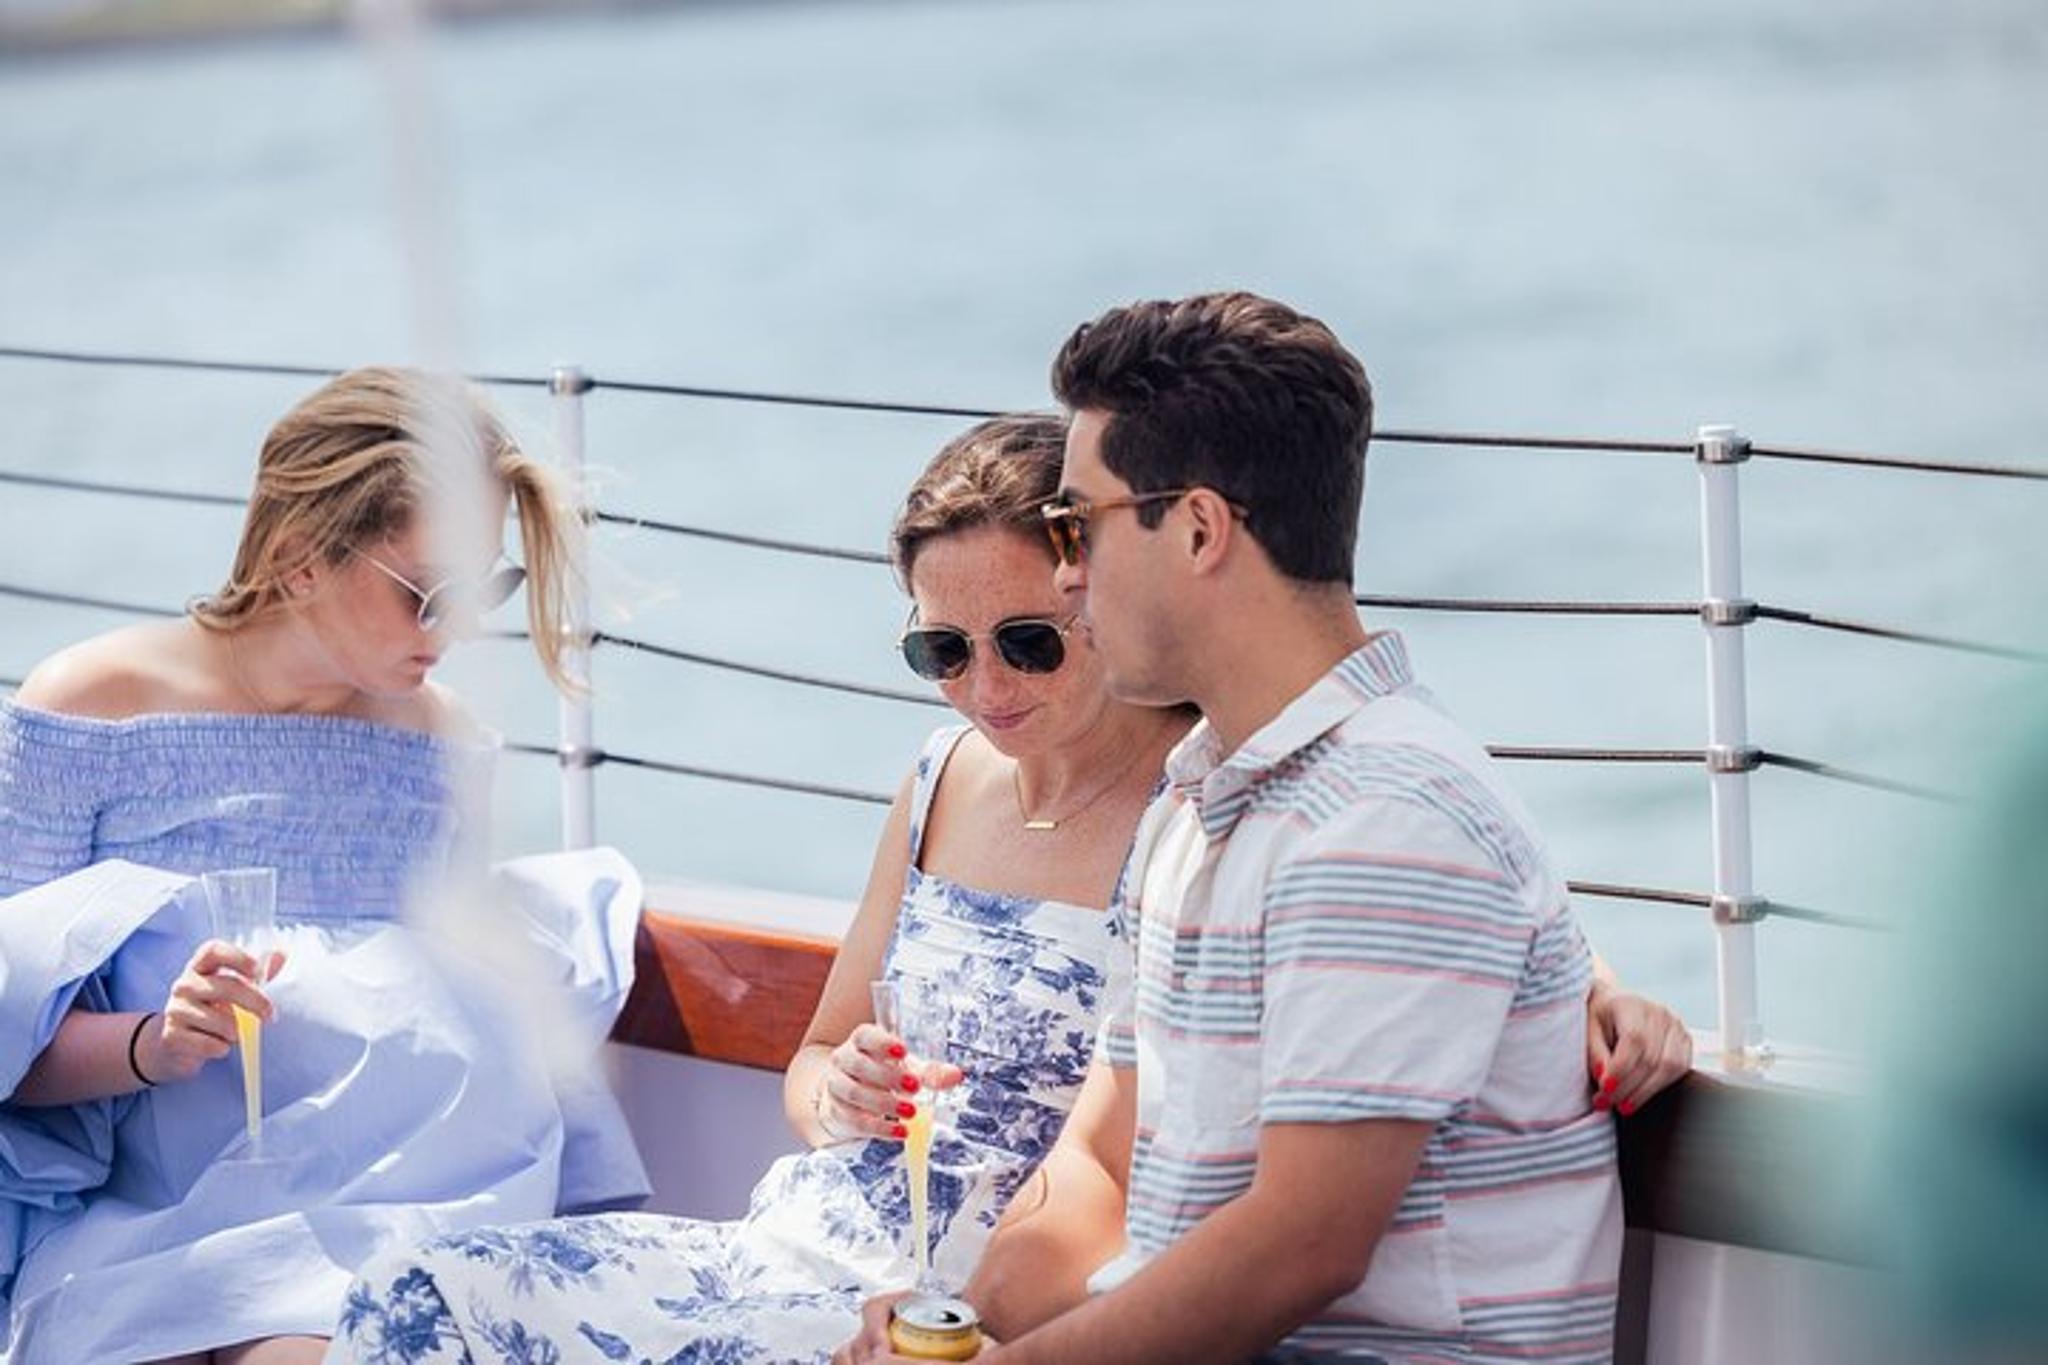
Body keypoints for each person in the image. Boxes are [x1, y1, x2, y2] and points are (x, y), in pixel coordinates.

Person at [332, 414, 1686, 1364]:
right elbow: (811, 1068)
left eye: (1030, 640)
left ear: (1100, 590)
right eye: (943, 648)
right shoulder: (938, 782)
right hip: (793, 1239)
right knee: (408, 1303)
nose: (986, 689)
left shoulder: (1204, 799)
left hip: (968, 1294)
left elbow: (1414, 873)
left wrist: (1601, 981)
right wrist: (836, 1089)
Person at [842, 292, 1629, 1364]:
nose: (1065, 573)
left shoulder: (1382, 819)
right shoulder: (1200, 804)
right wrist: (960, 1335)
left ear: (1201, 529)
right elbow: (1101, 1175)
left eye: (1077, 526)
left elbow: (1299, 1249)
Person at [0, 367, 647, 1365]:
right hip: (146, 1222)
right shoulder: (93, 705)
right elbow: (7, 1040)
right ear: (301, 563)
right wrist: (154, 1044)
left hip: (391, 1216)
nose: (461, 631)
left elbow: (434, 1048)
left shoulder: (444, 749)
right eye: (429, 593)